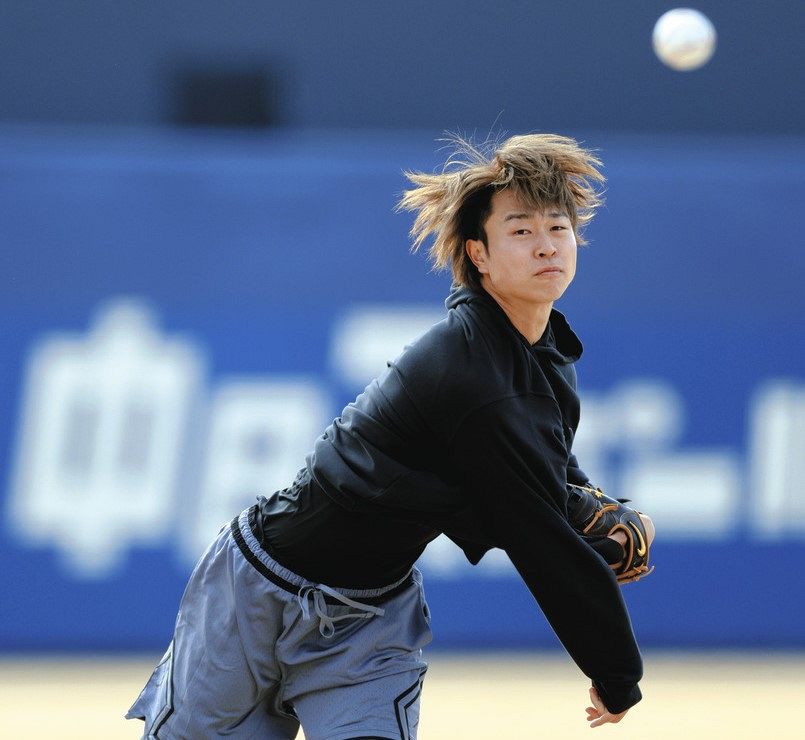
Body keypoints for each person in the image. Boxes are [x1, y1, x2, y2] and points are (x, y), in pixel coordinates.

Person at [127, 133, 653, 739]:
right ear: (478, 254)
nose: (545, 246)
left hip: (366, 622)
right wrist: (616, 671)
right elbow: (537, 537)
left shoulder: (543, 357)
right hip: (256, 595)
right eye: (521, 231)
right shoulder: (469, 368)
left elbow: (545, 469)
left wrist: (591, 508)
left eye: (557, 228)